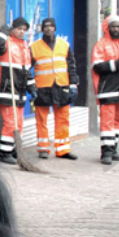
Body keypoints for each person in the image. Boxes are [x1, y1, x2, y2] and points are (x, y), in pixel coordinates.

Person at [29, 17, 79, 160]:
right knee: (41, 120)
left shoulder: (64, 45)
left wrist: (73, 85)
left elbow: (72, 66)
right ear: (42, 29)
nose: (48, 28)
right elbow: (27, 68)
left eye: (51, 26)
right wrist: (30, 85)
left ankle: (63, 150)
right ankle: (43, 148)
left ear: (55, 28)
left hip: (61, 86)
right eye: (46, 26)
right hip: (42, 87)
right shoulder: (34, 47)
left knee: (63, 118)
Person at [0, 17, 35, 165]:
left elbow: (27, 71)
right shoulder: (6, 43)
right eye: (19, 29)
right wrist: (2, 35)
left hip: (20, 91)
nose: (22, 32)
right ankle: (4, 152)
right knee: (11, 123)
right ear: (13, 29)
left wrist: (32, 88)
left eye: (24, 30)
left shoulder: (25, 47)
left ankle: (15, 149)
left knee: (19, 123)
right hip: (6, 89)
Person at [91, 14, 119, 165]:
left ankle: (114, 149)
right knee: (107, 122)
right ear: (107, 28)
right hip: (107, 89)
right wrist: (117, 63)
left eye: (118, 27)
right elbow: (97, 66)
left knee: (117, 122)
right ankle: (106, 152)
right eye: (113, 27)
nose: (116, 29)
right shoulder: (101, 45)